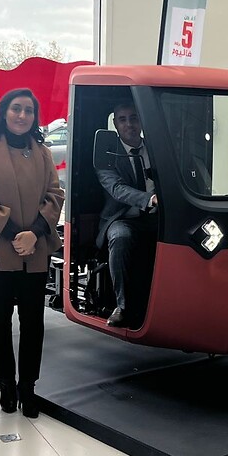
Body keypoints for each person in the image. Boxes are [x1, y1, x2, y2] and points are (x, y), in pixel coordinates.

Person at [0, 88, 64, 418]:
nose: (22, 115)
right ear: (4, 112)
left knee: (33, 320)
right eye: (16, 109)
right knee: (0, 317)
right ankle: (6, 383)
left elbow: (55, 194)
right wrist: (13, 234)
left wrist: (34, 233)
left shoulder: (43, 153)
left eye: (28, 111)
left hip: (36, 247)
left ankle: (28, 387)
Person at [96, 100, 158, 328]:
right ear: (115, 124)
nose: (129, 124)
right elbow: (116, 188)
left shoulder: (156, 149)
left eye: (133, 118)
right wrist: (149, 199)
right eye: (122, 120)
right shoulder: (107, 155)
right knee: (121, 238)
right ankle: (123, 307)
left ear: (141, 120)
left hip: (156, 216)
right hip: (122, 218)